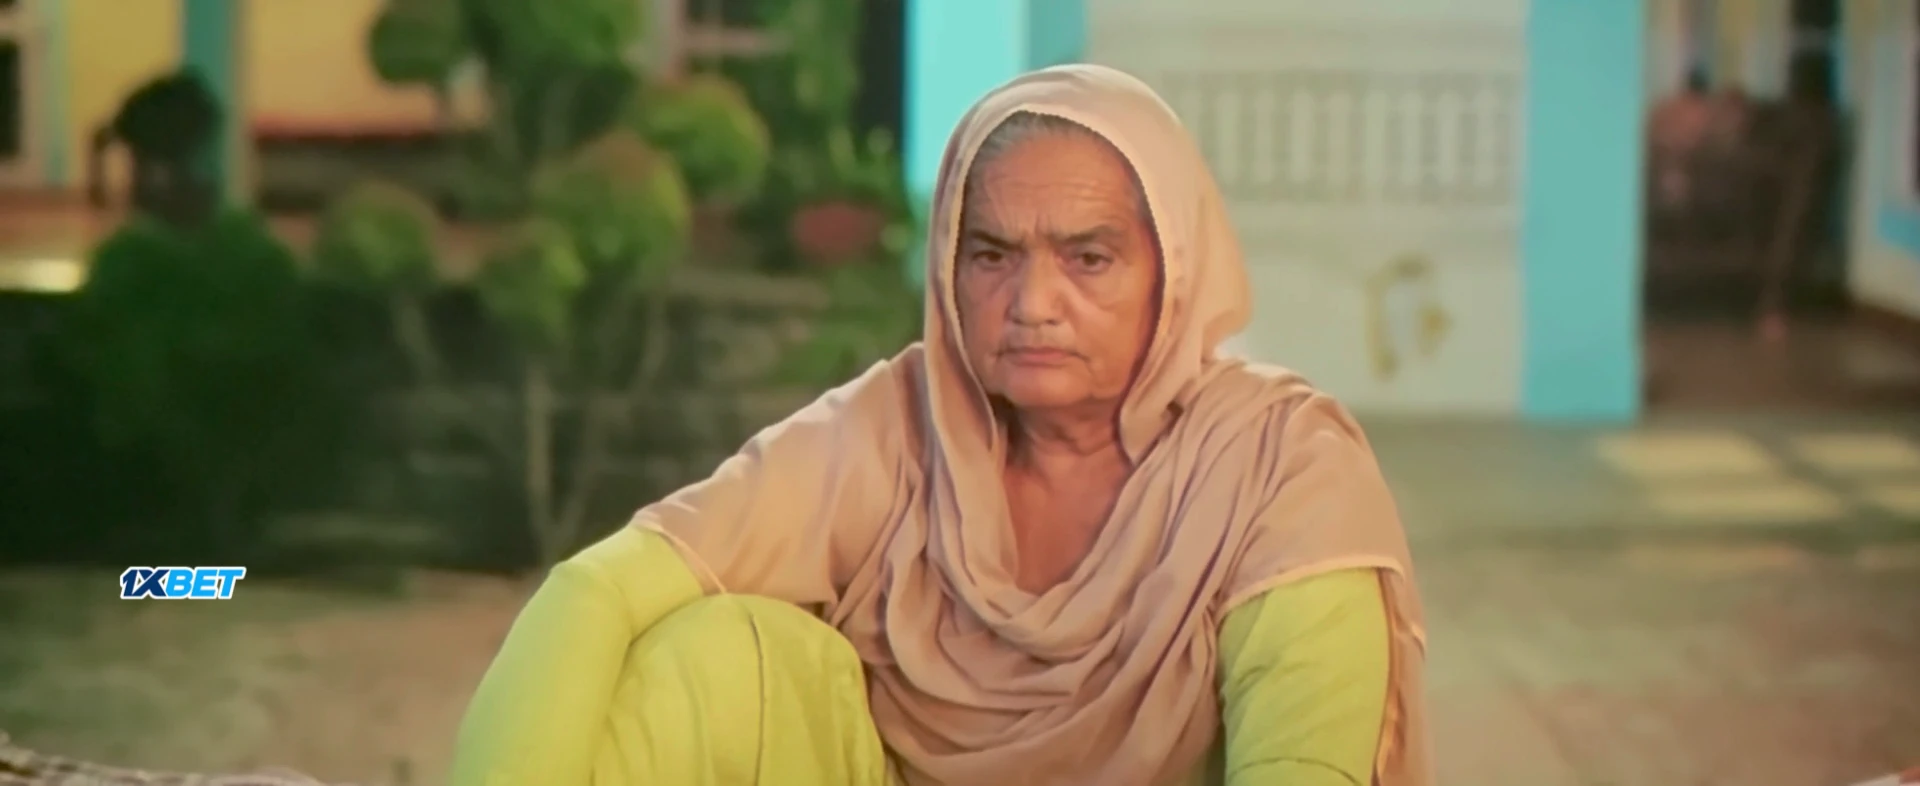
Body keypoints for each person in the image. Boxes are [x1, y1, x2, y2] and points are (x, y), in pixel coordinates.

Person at [450, 64, 1431, 786]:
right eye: (992, 254)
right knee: (714, 648)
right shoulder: (897, 427)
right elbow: (597, 590)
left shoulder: (1275, 464)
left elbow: (1306, 763)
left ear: (1173, 271)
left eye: (1088, 260)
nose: (1032, 304)